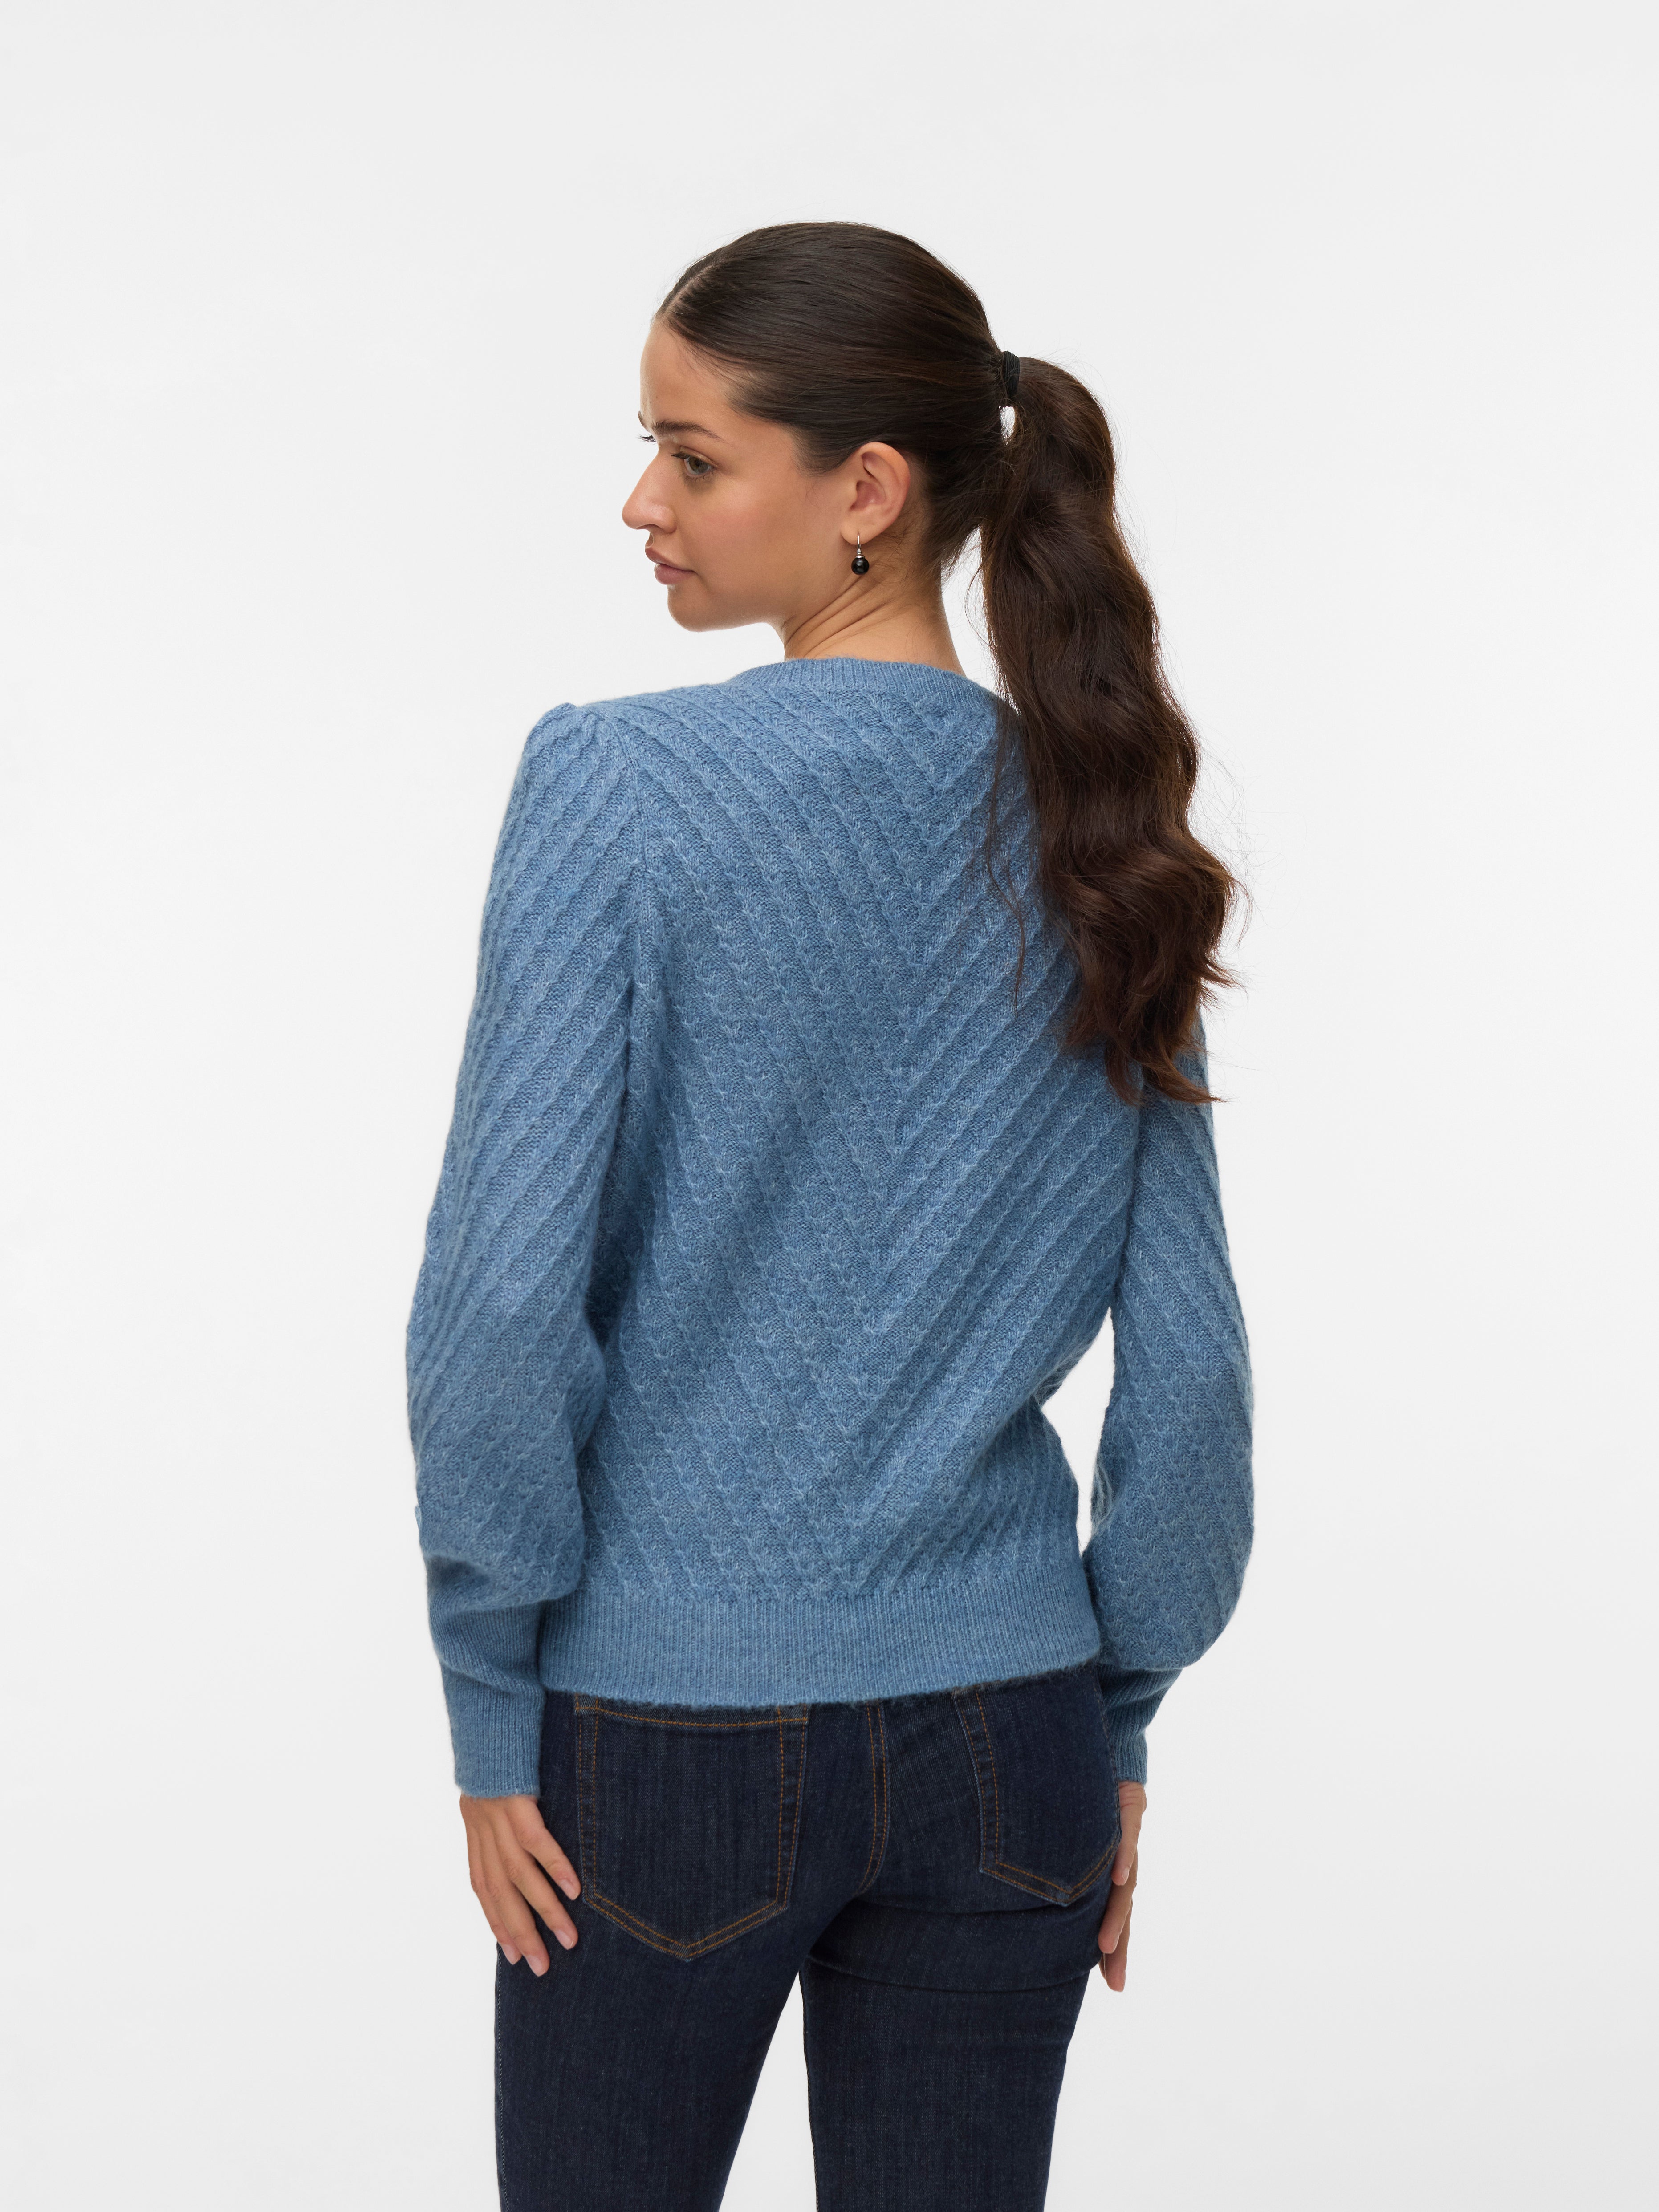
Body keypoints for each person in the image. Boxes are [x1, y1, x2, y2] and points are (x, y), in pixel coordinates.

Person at [407, 220, 1253, 2212]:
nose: (642, 501)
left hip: (662, 1741)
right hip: (1013, 1742)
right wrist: (1113, 1707)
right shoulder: (1102, 825)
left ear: (865, 489)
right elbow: (1195, 1373)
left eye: (692, 455)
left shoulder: (613, 787)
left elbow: (502, 1307)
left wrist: (490, 1693)